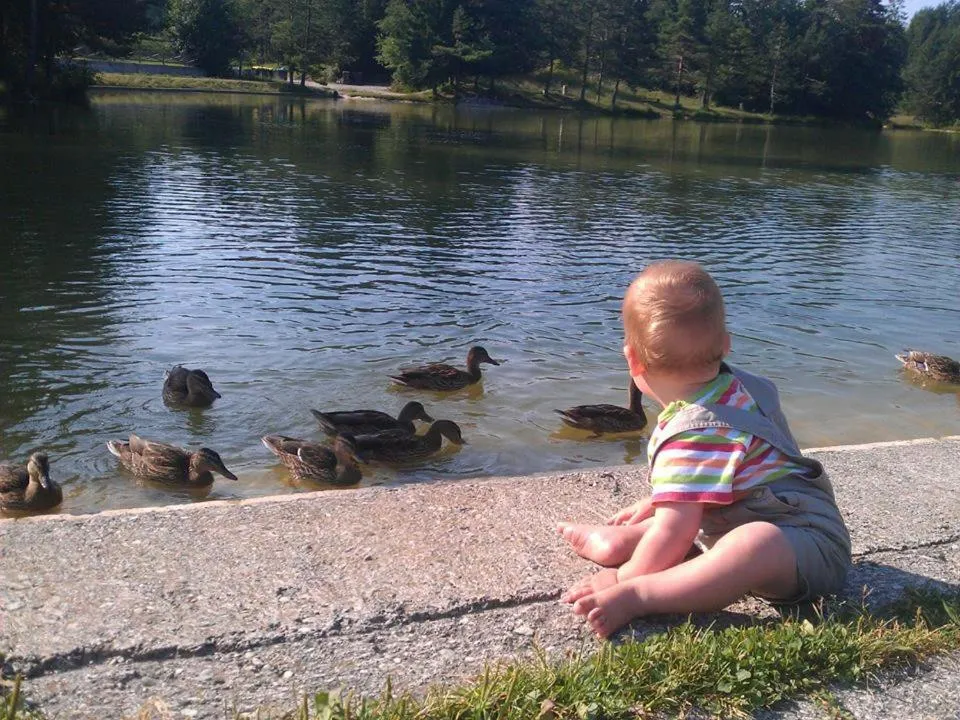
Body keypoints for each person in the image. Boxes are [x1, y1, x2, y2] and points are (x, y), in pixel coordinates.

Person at [558, 260, 851, 638]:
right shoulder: (744, 389)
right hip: (737, 519)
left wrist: (625, 579)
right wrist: (660, 501)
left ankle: (640, 592)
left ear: (631, 358)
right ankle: (618, 541)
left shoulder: (689, 432)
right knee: (673, 522)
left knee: (747, 542)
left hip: (809, 552)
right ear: (726, 342)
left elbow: (680, 528)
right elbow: (728, 468)